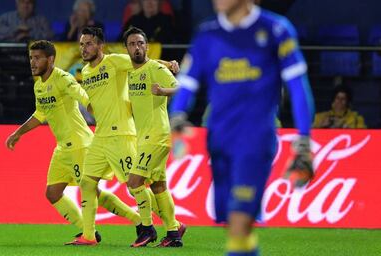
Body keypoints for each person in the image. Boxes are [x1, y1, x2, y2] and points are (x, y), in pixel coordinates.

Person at [169, 0, 315, 255]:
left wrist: (304, 141)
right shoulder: (207, 34)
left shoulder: (275, 29)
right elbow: (188, 81)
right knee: (236, 226)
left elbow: (297, 84)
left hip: (255, 140)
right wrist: (177, 117)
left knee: (239, 222)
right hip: (218, 140)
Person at [5, 40, 141, 244]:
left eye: (37, 58)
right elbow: (41, 113)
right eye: (30, 58)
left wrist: (94, 108)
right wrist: (19, 133)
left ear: (50, 59)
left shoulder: (63, 78)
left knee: (92, 192)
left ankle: (134, 220)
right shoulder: (40, 86)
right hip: (62, 148)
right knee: (52, 193)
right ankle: (88, 231)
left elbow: (81, 94)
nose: (32, 62)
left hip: (80, 145)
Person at [66, 26, 180, 246]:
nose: (84, 48)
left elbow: (143, 61)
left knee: (137, 184)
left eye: (89, 43)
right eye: (81, 44)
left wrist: (168, 64)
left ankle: (164, 224)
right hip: (100, 135)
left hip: (121, 134)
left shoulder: (114, 61)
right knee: (87, 182)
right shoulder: (86, 72)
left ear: (100, 46)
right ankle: (89, 235)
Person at [123, 26, 186, 247]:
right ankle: (174, 233)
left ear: (147, 47)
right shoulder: (129, 72)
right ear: (127, 49)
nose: (137, 47)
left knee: (134, 182)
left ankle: (147, 229)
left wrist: (163, 91)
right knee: (158, 186)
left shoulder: (154, 68)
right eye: (132, 44)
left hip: (157, 135)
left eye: (140, 43)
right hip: (144, 137)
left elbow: (181, 88)